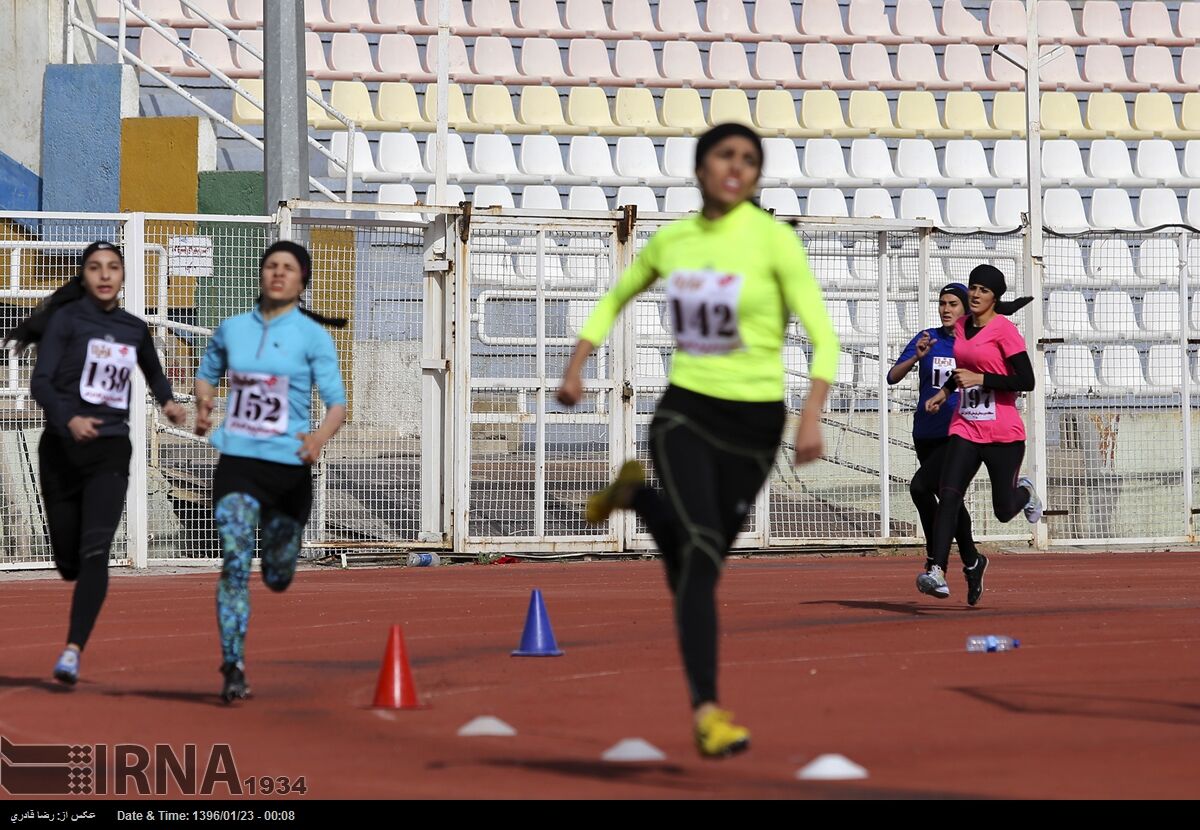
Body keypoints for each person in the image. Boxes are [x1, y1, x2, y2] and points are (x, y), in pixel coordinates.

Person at [556, 124, 840, 758]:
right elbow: (615, 299)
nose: (736, 167)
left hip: (757, 425)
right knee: (702, 557)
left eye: (749, 159)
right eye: (724, 156)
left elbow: (825, 338)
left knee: (694, 562)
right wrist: (577, 365)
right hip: (685, 414)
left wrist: (812, 416)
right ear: (701, 167)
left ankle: (636, 496)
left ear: (758, 175)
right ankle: (707, 709)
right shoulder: (673, 240)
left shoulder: (775, 242)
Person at [6, 241, 185, 685]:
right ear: (84, 276)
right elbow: (42, 384)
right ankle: (69, 566)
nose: (105, 275)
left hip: (109, 449)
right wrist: (69, 418)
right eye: (95, 268)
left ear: (123, 276)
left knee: (95, 552)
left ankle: (72, 649)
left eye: (113, 268)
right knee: (68, 560)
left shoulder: (132, 329)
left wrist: (168, 403)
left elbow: (154, 372)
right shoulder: (66, 321)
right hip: (62, 450)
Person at [194, 241, 348, 703]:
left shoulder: (313, 337)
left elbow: (338, 404)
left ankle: (284, 551)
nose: (278, 274)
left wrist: (318, 439)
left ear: (303, 281)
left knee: (277, 574)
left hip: (289, 469)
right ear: (260, 275)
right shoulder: (232, 330)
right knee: (235, 563)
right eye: (271, 267)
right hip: (238, 463)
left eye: (288, 268)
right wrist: (204, 404)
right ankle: (233, 664)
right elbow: (207, 373)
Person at [919, 264, 1043, 605]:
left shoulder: (1005, 331)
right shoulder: (960, 325)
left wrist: (982, 379)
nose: (975, 294)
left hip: (1003, 433)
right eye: (973, 287)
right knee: (949, 495)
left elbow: (1026, 381)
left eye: (983, 290)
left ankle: (1025, 493)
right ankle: (936, 570)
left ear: (994, 297)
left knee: (1004, 509)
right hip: (966, 427)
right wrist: (945, 392)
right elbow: (963, 369)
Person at [887, 283, 981, 598]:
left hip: (959, 432)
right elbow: (892, 376)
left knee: (920, 487)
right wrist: (916, 356)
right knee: (947, 498)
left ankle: (934, 563)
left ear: (966, 309)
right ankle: (972, 560)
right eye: (942, 303)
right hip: (925, 431)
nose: (945, 309)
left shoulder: (974, 343)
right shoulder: (927, 337)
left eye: (953, 303)